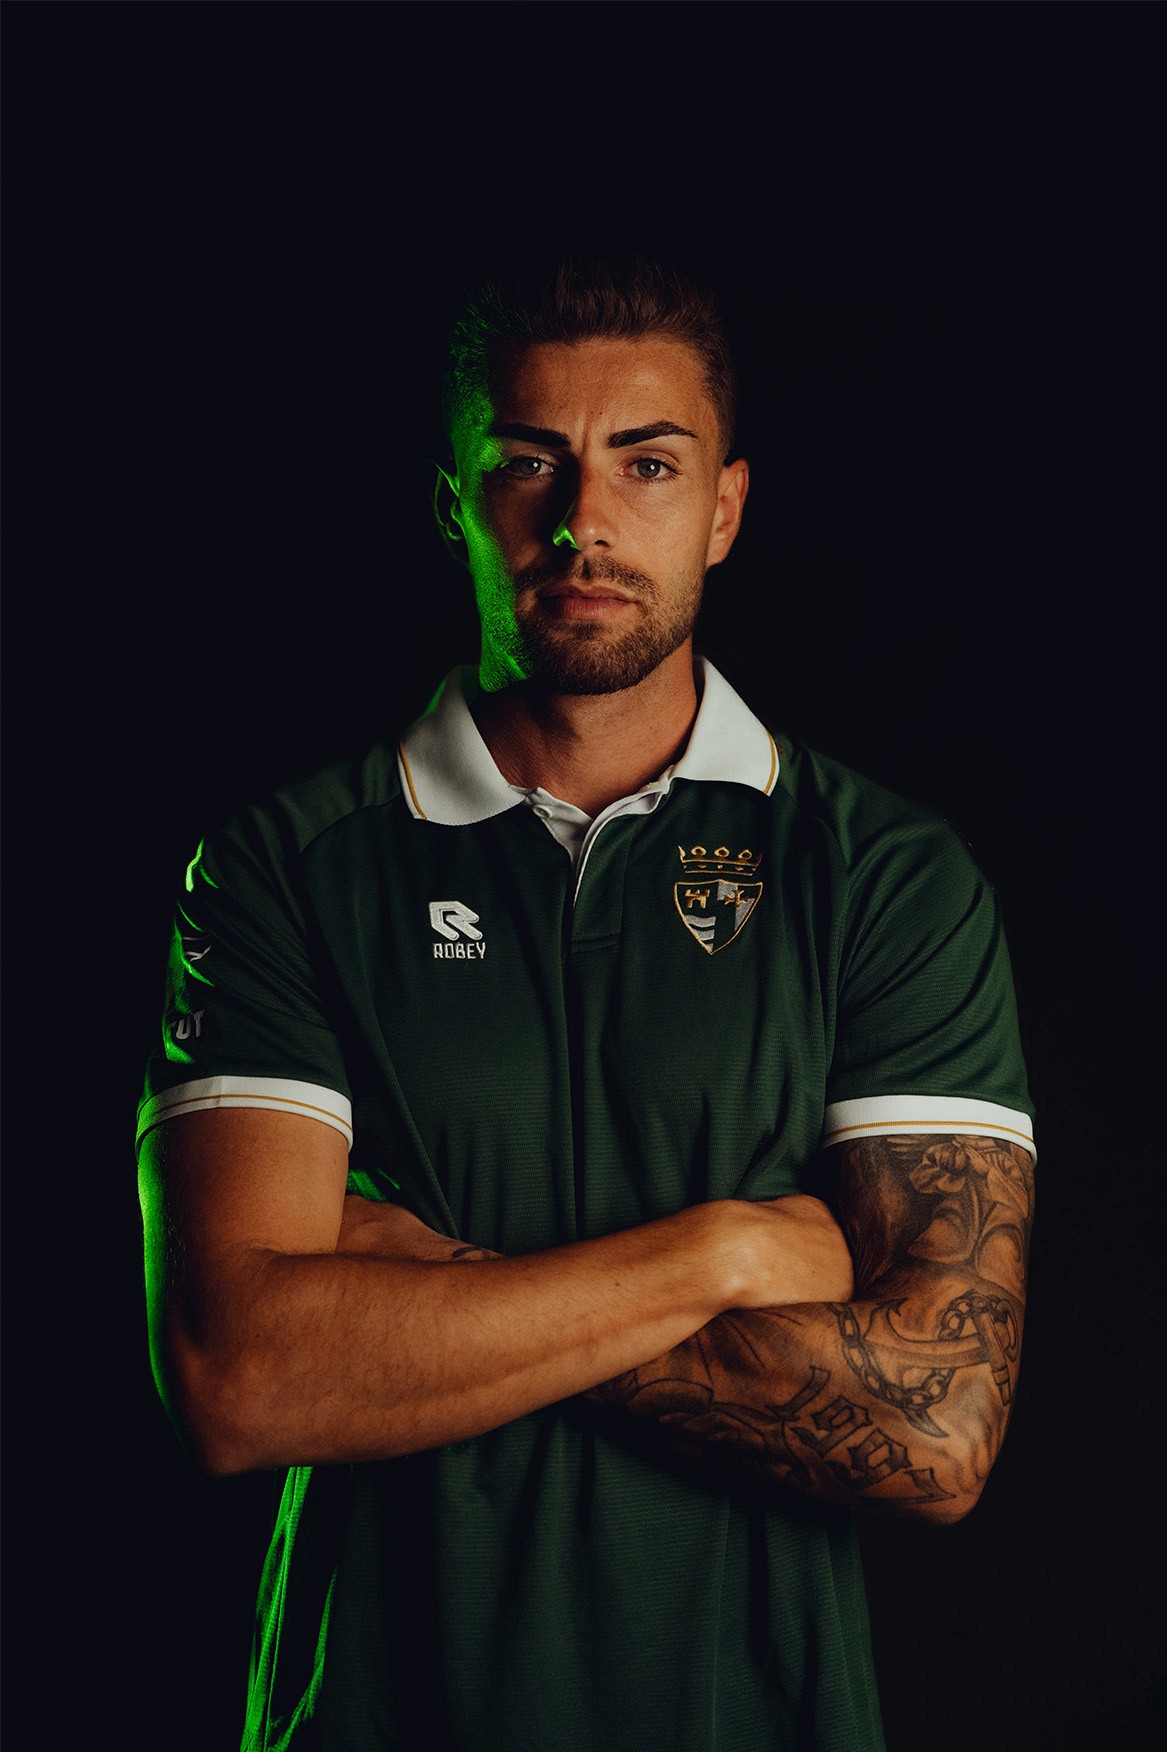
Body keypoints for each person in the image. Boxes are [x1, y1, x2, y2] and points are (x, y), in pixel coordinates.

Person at [137, 257, 1035, 1752]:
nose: (585, 522)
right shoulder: (284, 868)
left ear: (726, 508)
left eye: (648, 464)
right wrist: (721, 1251)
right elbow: (240, 1379)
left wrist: (424, 1293)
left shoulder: (885, 877)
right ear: (452, 503)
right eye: (528, 464)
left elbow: (933, 1432)